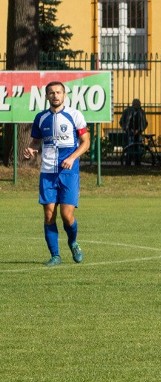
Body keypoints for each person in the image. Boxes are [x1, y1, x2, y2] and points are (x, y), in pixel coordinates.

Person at [23, 81, 90, 266]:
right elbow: (36, 141)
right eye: (51, 93)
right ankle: (55, 256)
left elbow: (86, 142)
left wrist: (72, 158)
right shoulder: (41, 117)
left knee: (67, 216)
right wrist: (31, 150)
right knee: (49, 215)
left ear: (64, 95)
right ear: (46, 96)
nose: (55, 95)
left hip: (69, 172)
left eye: (58, 92)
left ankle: (73, 242)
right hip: (47, 172)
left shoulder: (74, 115)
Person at [119, 98, 148, 166]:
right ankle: (128, 163)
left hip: (138, 133)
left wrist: (139, 130)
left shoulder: (141, 112)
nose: (138, 106)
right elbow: (122, 122)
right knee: (129, 148)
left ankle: (137, 162)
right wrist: (128, 129)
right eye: (137, 104)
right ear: (133, 104)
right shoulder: (127, 111)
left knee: (138, 148)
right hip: (129, 132)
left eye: (138, 104)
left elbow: (145, 123)